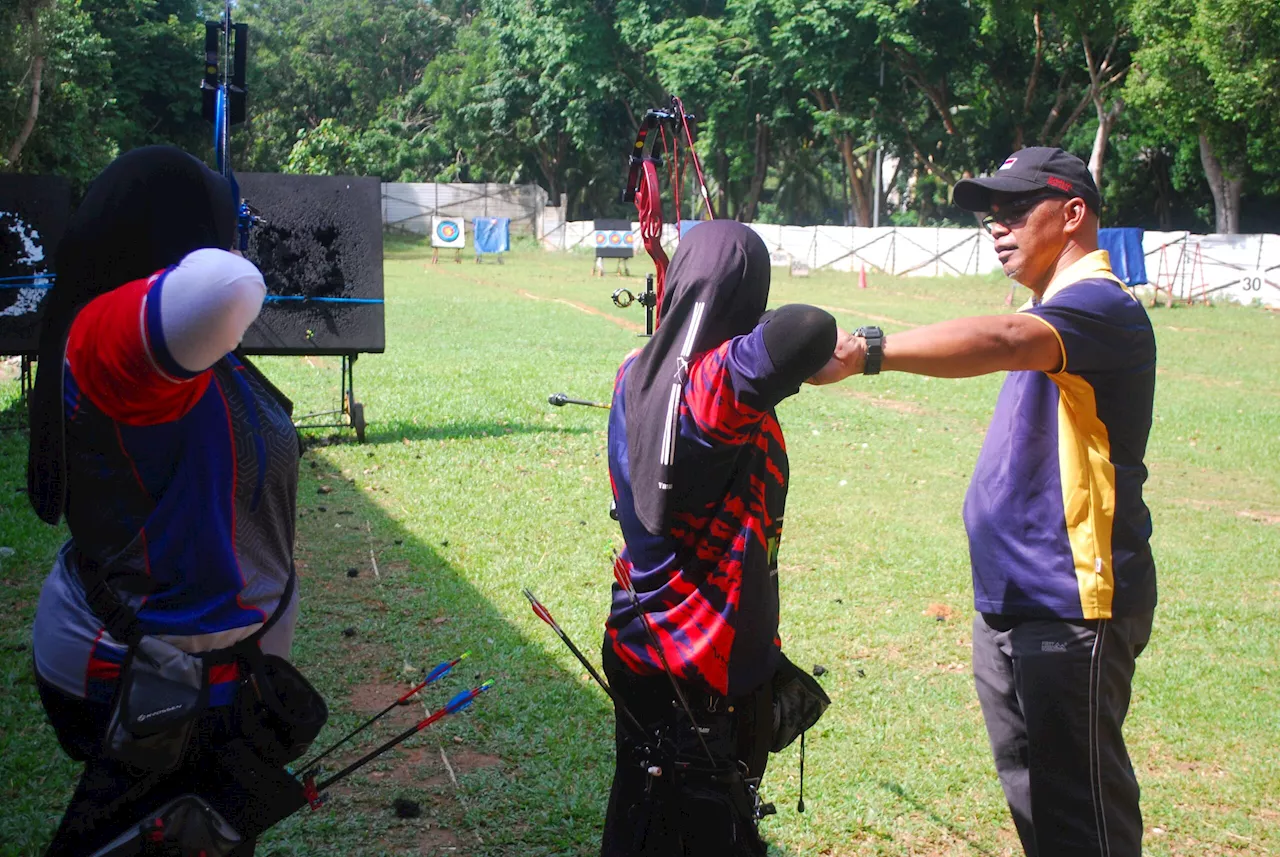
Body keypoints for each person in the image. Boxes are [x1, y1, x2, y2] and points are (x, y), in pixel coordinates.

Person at [815, 147, 1157, 857]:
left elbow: (1000, 340)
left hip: (1069, 606)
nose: (996, 227)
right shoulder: (1055, 309)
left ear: (1071, 215)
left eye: (1013, 210)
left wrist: (867, 353)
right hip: (1010, 598)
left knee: (1083, 816)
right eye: (990, 216)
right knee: (1036, 800)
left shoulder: (1100, 305)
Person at [27, 146, 302, 856]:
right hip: (139, 674)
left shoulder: (177, 354)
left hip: (194, 671)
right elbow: (224, 285)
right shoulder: (108, 339)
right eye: (227, 221)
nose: (240, 236)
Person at [601, 220, 837, 857]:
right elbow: (809, 327)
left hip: (638, 641)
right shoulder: (713, 389)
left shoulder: (635, 371)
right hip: (702, 670)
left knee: (641, 816)